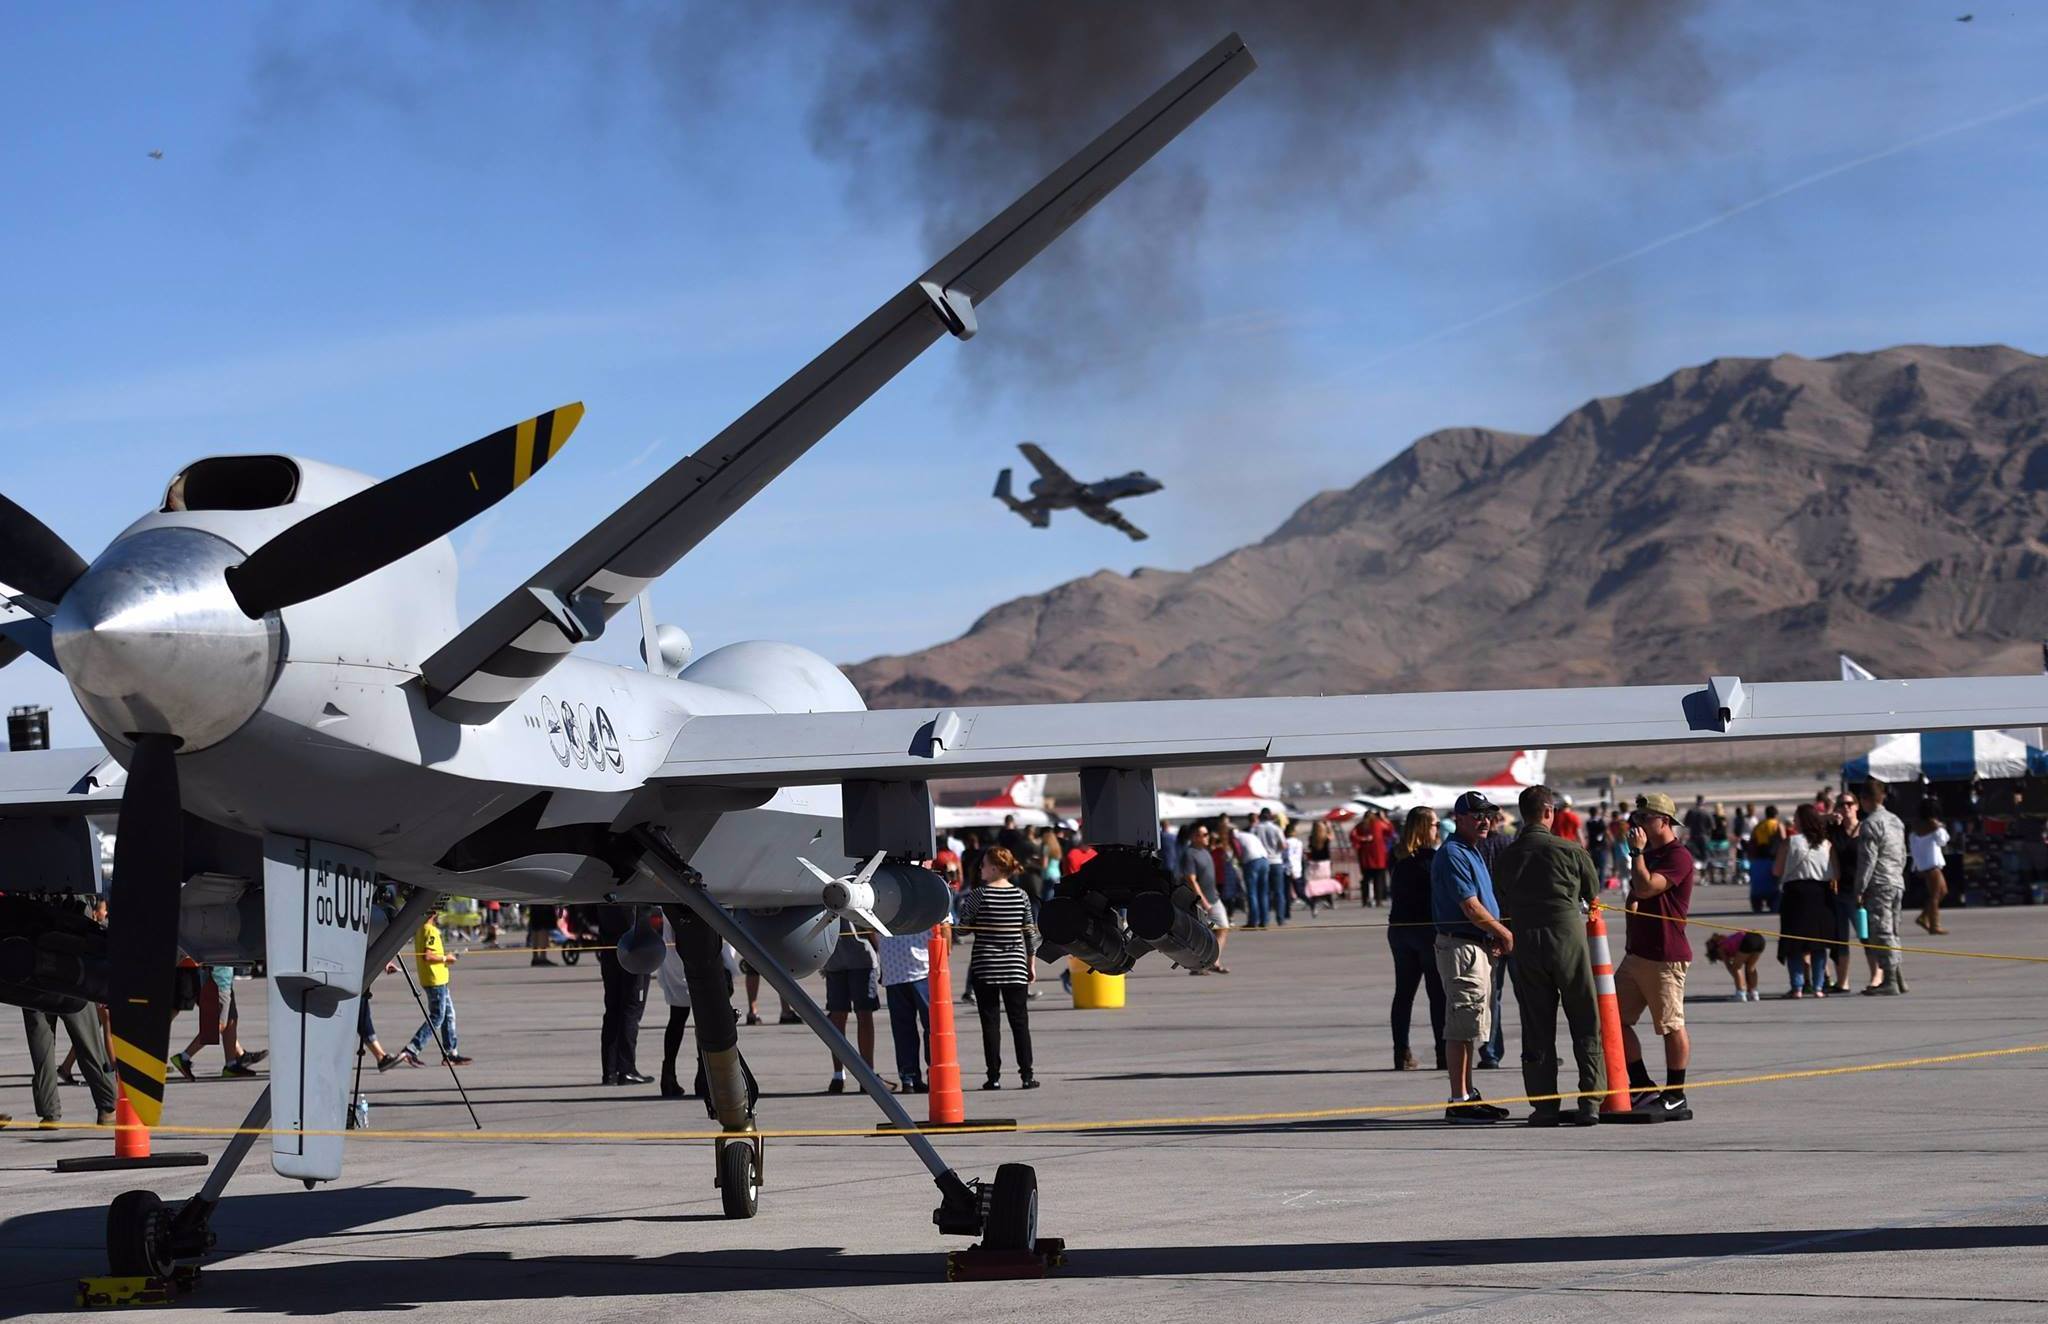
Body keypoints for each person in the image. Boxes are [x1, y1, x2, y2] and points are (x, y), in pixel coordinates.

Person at [1493, 785, 1601, 1126]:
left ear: (1523, 814)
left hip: (1526, 944)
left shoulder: (1507, 857)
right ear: (1549, 812)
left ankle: (1544, 1106)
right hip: (1567, 941)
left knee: (1536, 1026)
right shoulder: (1570, 850)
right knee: (1584, 1019)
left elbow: (1502, 899)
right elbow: (1592, 891)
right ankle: (1591, 1101)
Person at [1431, 791, 1514, 1123]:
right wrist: (1503, 933)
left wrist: (1491, 934)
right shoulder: (1453, 853)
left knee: (1471, 1024)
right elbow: (1470, 905)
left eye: (1488, 815)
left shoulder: (1472, 851)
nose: (1484, 820)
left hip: (1475, 944)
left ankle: (1467, 1093)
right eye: (1477, 815)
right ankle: (1458, 1098)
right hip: (1461, 947)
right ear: (1459, 818)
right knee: (1462, 1025)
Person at [1617, 793, 1694, 1120]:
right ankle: (1642, 1086)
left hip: (1666, 956)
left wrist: (1635, 853)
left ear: (1664, 820)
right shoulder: (1650, 854)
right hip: (1638, 955)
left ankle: (1675, 1093)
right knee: (1610, 1019)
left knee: (1670, 1025)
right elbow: (1635, 896)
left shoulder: (1678, 856)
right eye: (1636, 819)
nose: (1638, 825)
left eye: (1645, 819)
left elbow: (1647, 888)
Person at [956, 846, 1038, 1089]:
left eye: (983, 865)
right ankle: (1027, 1074)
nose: (980, 869)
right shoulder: (1021, 895)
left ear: (994, 868)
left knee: (990, 1024)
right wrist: (1030, 963)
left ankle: (994, 1076)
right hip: (1015, 966)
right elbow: (1030, 934)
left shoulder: (978, 895)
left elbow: (962, 930)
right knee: (1020, 1022)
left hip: (986, 967)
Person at [1387, 807, 1446, 1071]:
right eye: (1434, 824)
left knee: (1404, 994)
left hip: (1400, 928)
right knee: (1438, 994)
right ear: (1425, 827)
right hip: (1426, 930)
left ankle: (1402, 1052)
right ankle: (1444, 1053)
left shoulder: (1397, 856)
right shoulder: (1432, 859)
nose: (1438, 828)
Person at [655, 936, 735, 1099]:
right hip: (700, 956)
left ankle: (669, 1075)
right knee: (704, 1016)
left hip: (675, 958)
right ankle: (703, 1076)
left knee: (677, 1018)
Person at [1775, 802, 1837, 998]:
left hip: (1795, 894)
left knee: (1794, 943)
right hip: (1820, 893)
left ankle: (1798, 986)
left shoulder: (1790, 842)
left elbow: (1776, 870)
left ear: (1801, 821)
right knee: (1818, 943)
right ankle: (1818, 987)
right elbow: (1836, 872)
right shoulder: (1826, 844)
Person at [399, 901, 471, 1068]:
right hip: (435, 979)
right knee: (437, 1017)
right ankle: (412, 1049)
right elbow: (428, 955)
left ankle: (451, 1052)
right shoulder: (430, 930)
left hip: (437, 979)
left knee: (448, 1015)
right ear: (433, 914)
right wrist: (447, 958)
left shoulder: (420, 930)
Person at [1855, 780, 1909, 994]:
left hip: (1879, 882)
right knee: (1893, 930)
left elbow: (1868, 859)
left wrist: (1860, 887)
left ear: (1865, 800)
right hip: (1896, 880)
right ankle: (1898, 977)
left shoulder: (1870, 824)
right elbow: (1903, 853)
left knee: (1881, 931)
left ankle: (1890, 981)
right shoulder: (1895, 821)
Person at [171, 965, 266, 1080]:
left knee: (231, 1020)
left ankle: (231, 1065)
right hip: (219, 981)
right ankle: (184, 1057)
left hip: (224, 980)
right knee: (219, 1024)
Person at [591, 904, 649, 1084]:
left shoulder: (604, 892)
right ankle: (626, 1068)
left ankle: (610, 1071)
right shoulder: (633, 896)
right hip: (633, 952)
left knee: (613, 1010)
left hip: (610, 952)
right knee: (631, 1010)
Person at [821, 917, 879, 1094]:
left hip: (833, 956)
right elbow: (870, 922)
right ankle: (867, 1075)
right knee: (863, 1015)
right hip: (860, 954)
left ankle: (839, 1075)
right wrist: (879, 951)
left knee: (838, 1017)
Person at [877, 922, 934, 1094]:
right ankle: (934, 1073)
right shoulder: (931, 895)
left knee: (903, 1030)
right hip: (922, 968)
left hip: (894, 968)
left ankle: (908, 1077)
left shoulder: (885, 896)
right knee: (933, 1028)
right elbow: (945, 926)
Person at [1178, 822, 1231, 974]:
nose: (1208, 837)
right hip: (1199, 901)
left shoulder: (1205, 851)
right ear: (1195, 837)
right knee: (1200, 936)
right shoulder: (1190, 854)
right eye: (1205, 835)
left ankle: (1214, 961)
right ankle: (1198, 966)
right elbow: (1191, 879)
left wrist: (1214, 892)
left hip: (1214, 897)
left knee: (1222, 928)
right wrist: (1203, 901)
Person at [1826, 792, 1863, 993]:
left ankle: (1877, 977)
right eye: (1842, 804)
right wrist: (1829, 816)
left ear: (1857, 806)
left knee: (1866, 935)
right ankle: (1843, 981)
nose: (1846, 807)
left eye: (1850, 803)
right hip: (1841, 891)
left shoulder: (1865, 829)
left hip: (1862, 891)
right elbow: (1808, 822)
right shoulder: (1835, 830)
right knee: (1840, 939)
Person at [1909, 808, 1952, 935]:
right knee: (1935, 895)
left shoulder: (1914, 831)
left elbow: (1913, 849)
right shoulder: (1935, 829)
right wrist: (1940, 827)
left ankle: (1923, 917)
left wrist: (1916, 866)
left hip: (1924, 865)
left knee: (1942, 891)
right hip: (1932, 865)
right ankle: (1935, 925)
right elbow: (1943, 841)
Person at [1704, 930, 1765, 1001]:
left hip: (1748, 940)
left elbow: (1731, 968)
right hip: (1759, 939)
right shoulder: (1729, 940)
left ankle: (1741, 994)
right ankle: (1754, 994)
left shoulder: (1720, 948)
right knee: (1751, 967)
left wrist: (1739, 980)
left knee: (1736, 967)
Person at [1748, 805, 1784, 913]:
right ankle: (1774, 903)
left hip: (1759, 857)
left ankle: (1757, 904)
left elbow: (1752, 841)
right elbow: (1783, 840)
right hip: (1772, 857)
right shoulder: (1777, 825)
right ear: (1776, 814)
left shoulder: (1759, 825)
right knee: (1774, 883)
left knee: (1758, 883)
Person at [1356, 808, 1395, 907]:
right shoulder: (1379, 824)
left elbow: (1353, 836)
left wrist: (1362, 839)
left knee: (1366, 879)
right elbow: (1390, 831)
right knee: (1378, 880)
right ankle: (1378, 900)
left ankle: (1365, 900)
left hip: (1366, 858)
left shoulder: (1361, 826)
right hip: (1378, 857)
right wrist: (1384, 819)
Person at [1683, 795, 1713, 863]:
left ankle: (1694, 870)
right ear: (1703, 801)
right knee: (1704, 855)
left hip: (1693, 836)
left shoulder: (1691, 811)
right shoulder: (1707, 812)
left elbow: (1686, 823)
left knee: (1692, 855)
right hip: (1704, 836)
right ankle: (1704, 871)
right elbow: (1712, 826)